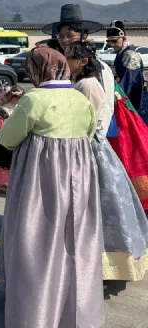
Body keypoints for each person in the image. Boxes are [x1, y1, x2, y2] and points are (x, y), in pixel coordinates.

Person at [0, 47, 103, 328]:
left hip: (40, 178)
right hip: (79, 176)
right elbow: (90, 133)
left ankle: (35, 312)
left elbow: (8, 138)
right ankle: (76, 310)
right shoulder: (80, 99)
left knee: (38, 238)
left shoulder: (35, 98)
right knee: (75, 239)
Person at [65, 41, 148, 282]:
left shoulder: (88, 85)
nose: (66, 62)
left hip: (90, 148)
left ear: (81, 61)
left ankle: (97, 266)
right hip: (88, 146)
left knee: (96, 208)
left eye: (70, 57)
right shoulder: (82, 81)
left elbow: (88, 122)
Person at [107, 20, 148, 125]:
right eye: (109, 42)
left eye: (115, 41)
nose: (112, 44)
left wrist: (116, 97)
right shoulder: (121, 52)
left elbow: (128, 81)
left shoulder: (130, 54)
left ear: (124, 38)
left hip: (135, 99)